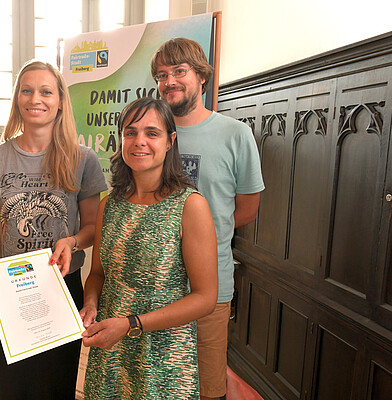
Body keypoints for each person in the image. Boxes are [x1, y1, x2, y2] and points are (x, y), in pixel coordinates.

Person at [0, 60, 107, 399]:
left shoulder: (83, 159)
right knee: (14, 387)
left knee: (57, 385)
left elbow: (92, 227)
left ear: (60, 100)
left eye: (46, 91)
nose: (35, 99)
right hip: (8, 290)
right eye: (26, 90)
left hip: (61, 286)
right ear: (17, 99)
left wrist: (72, 240)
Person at [80, 97, 218, 399]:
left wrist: (131, 324)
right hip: (111, 349)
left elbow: (205, 298)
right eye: (130, 132)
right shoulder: (109, 205)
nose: (139, 141)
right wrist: (91, 303)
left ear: (170, 141)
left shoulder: (190, 206)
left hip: (164, 355)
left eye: (151, 133)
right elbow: (98, 275)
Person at [151, 38, 265, 400]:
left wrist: (201, 238)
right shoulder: (147, 134)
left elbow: (245, 210)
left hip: (210, 288)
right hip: (152, 285)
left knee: (207, 388)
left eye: (179, 71)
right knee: (153, 385)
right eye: (162, 74)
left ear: (201, 76)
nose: (170, 81)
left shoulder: (235, 135)